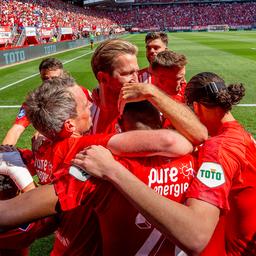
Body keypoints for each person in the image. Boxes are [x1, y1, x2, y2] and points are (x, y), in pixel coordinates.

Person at [0, 77, 194, 255]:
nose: (91, 105)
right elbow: (172, 142)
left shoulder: (41, 147)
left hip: (61, 245)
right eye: (85, 105)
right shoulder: (83, 148)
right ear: (69, 126)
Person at [76, 72, 256, 256]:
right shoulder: (242, 135)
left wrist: (113, 170)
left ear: (196, 108)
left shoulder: (218, 149)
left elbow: (196, 234)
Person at [2, 57, 64, 146]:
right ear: (41, 77)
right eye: (46, 79)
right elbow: (16, 129)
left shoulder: (79, 94)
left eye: (55, 78)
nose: (50, 83)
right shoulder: (33, 101)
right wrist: (4, 152)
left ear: (63, 76)